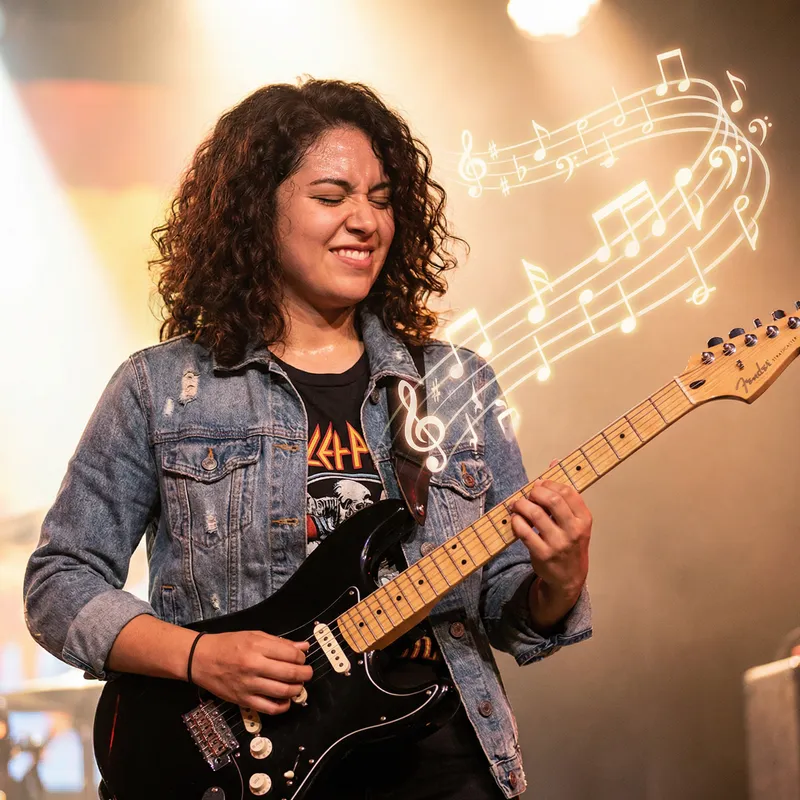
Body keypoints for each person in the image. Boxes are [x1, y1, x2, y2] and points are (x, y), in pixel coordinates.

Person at [23, 79, 593, 799]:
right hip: (253, 766)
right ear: (256, 213)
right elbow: (60, 581)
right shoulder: (163, 387)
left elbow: (508, 608)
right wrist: (198, 656)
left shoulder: (457, 384)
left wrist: (559, 580)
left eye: (381, 199)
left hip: (444, 762)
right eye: (331, 197)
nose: (365, 221)